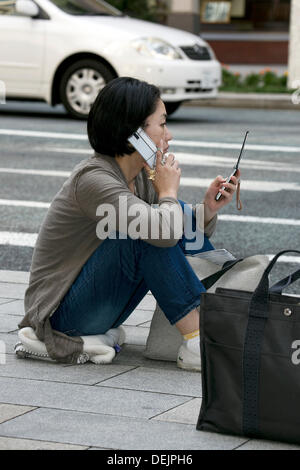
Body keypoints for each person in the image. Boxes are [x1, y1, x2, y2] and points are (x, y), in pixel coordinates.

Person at [15, 77, 240, 371]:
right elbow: (162, 231)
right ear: (135, 134)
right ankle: (200, 338)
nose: (168, 135)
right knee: (144, 233)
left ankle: (215, 321)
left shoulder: (139, 178)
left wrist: (208, 209)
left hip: (97, 309)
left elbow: (176, 224)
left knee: (156, 223)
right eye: (161, 124)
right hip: (60, 316)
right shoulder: (94, 180)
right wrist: (168, 191)